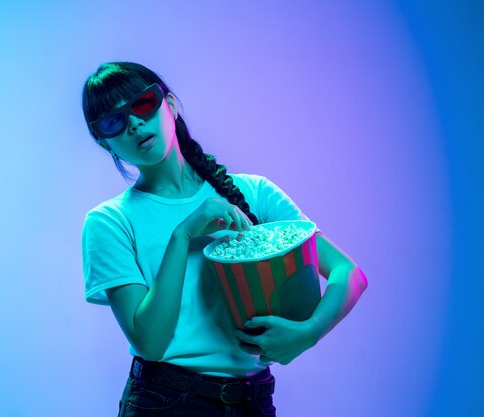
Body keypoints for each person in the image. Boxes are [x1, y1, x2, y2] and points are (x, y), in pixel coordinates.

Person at [80, 62, 368, 417]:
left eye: (142, 105)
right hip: (165, 401)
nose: (135, 123)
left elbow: (348, 273)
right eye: (114, 121)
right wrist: (182, 235)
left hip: (253, 401)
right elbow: (150, 343)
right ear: (102, 140)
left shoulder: (254, 192)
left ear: (169, 104)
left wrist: (309, 332)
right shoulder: (110, 222)